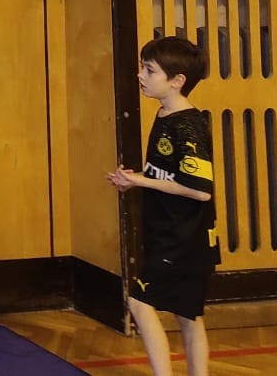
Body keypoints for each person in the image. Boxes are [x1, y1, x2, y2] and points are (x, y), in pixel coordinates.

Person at [107, 36, 219, 376]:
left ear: (177, 81)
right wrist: (135, 178)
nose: (140, 75)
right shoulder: (164, 114)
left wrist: (142, 182)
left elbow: (200, 190)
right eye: (142, 67)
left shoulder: (188, 124)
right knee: (189, 316)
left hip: (183, 239)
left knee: (139, 303)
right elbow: (169, 173)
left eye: (149, 70)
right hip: (169, 232)